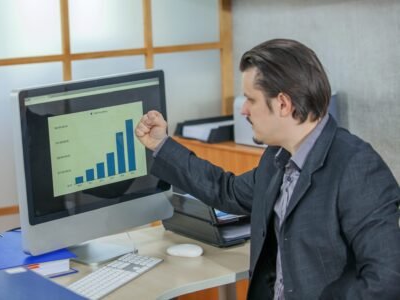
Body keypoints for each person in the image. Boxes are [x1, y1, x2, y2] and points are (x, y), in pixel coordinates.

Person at [135, 39, 400, 299]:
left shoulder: (357, 167)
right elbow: (227, 191)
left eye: (250, 99)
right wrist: (161, 145)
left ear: (283, 104)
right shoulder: (278, 156)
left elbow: (386, 281)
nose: (244, 110)